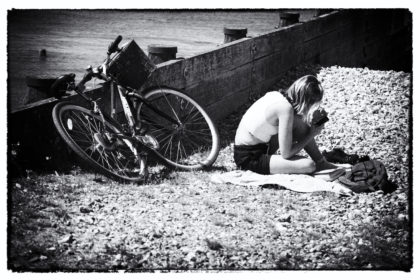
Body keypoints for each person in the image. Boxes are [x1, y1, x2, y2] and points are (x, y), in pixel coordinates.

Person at [234, 75, 337, 175]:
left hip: (254, 147)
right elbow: (286, 154)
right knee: (309, 165)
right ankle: (319, 163)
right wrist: (311, 134)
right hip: (249, 158)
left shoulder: (276, 95)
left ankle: (321, 163)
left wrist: (309, 124)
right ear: (306, 102)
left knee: (300, 124)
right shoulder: (285, 109)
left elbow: (296, 122)